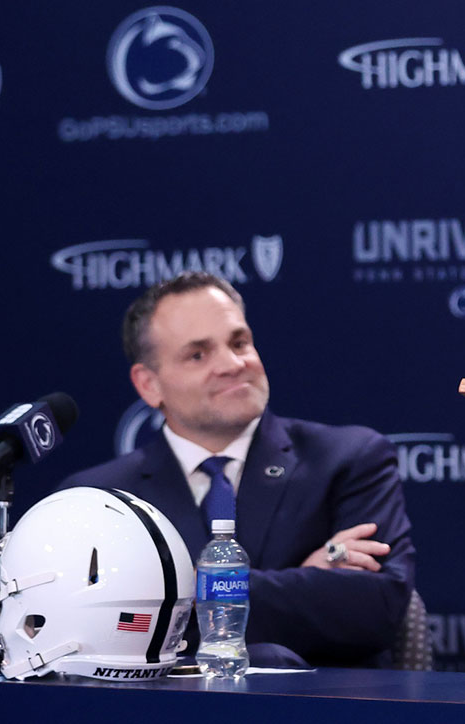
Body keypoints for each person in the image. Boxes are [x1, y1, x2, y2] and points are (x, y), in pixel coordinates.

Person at [60, 271, 415, 667]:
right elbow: (89, 628)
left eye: (239, 343)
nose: (232, 364)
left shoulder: (349, 459)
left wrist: (176, 596)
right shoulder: (100, 500)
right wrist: (300, 581)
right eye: (198, 355)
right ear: (149, 385)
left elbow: (376, 608)